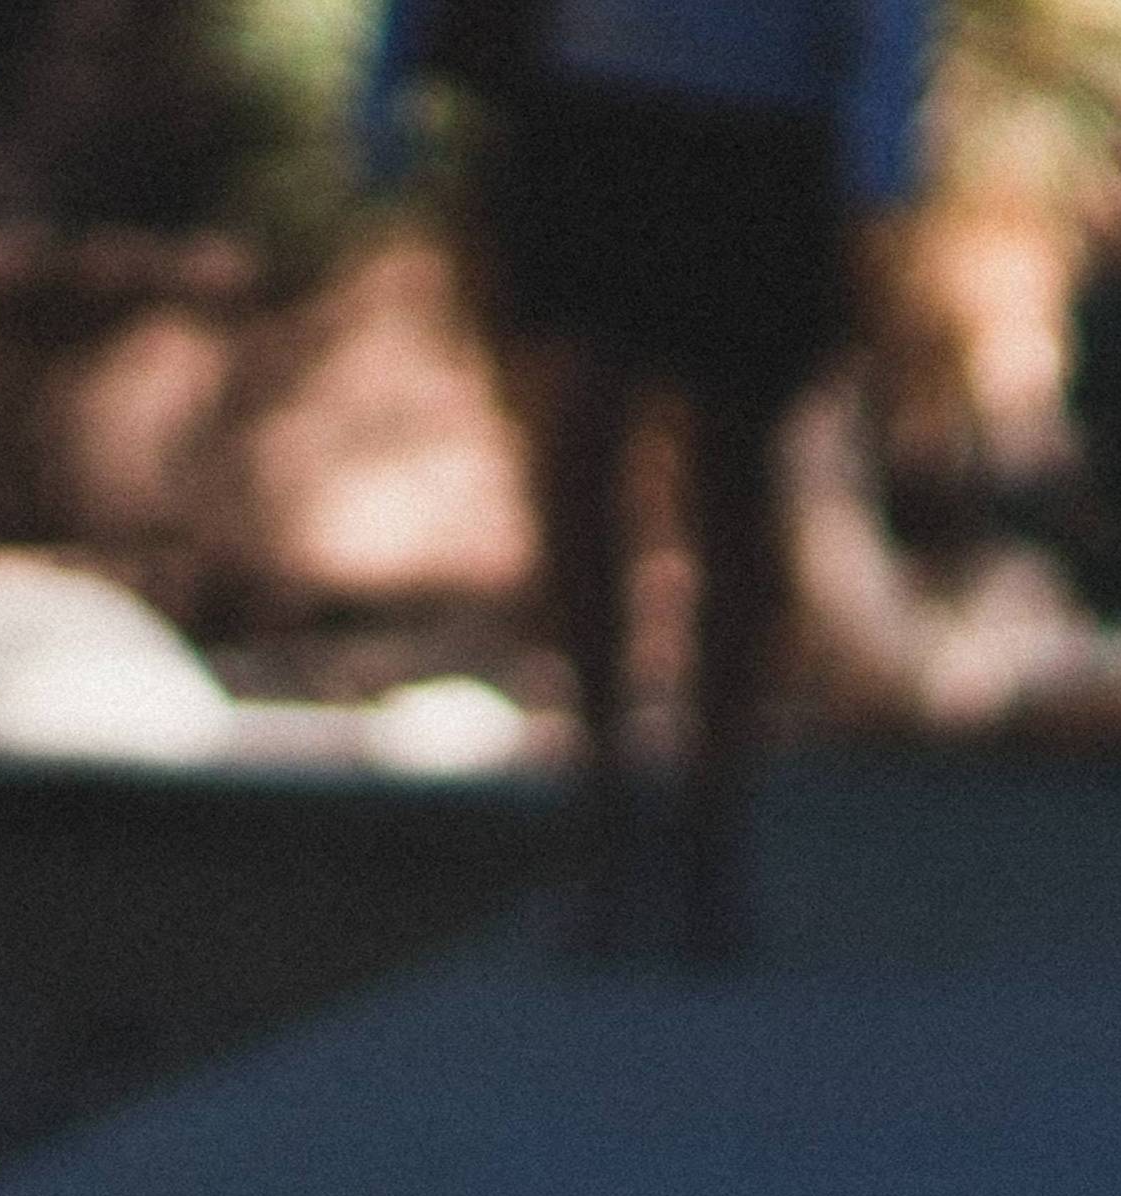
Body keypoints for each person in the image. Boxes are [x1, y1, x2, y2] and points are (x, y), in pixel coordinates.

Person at [374, 0, 928, 964]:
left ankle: (713, 825)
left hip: (760, 126)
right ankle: (602, 803)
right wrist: (389, 83)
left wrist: (877, 151)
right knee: (578, 457)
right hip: (588, 115)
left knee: (734, 484)